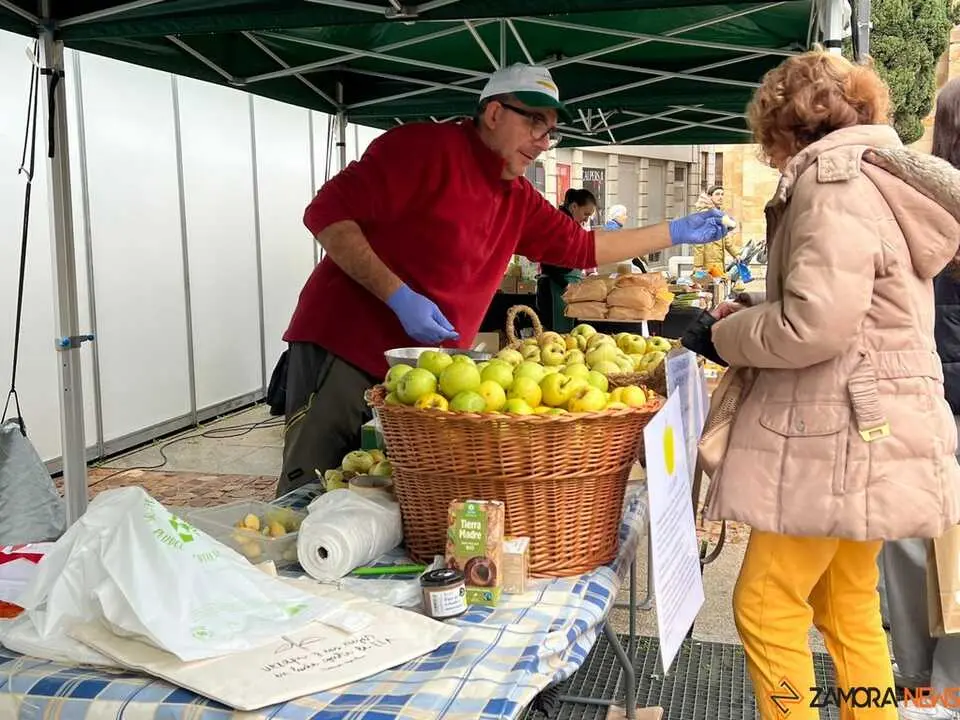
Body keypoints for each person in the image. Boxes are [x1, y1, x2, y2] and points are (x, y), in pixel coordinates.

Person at [277, 62, 730, 498]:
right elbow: (326, 215)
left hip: (423, 375)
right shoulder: (421, 148)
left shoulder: (517, 198)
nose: (543, 141)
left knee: (390, 496)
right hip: (345, 350)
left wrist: (674, 231)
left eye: (551, 131)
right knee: (315, 490)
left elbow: (583, 249)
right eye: (535, 122)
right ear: (494, 112)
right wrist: (397, 295)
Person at [680, 50, 960, 720]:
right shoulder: (877, 177)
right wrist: (754, 309)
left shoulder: (830, 184)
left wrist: (722, 337)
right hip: (872, 427)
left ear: (784, 127)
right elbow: (851, 305)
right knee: (847, 602)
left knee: (765, 605)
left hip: (831, 431)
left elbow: (816, 325)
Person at [881, 76, 960, 720]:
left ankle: (915, 687)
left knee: (910, 546)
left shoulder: (910, 195)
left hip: (913, 397)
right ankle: (943, 692)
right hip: (939, 395)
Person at [536, 188, 598, 332]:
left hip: (563, 286)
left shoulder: (571, 225)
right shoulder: (560, 224)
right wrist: (565, 284)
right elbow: (549, 262)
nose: (586, 219)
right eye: (586, 214)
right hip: (555, 287)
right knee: (556, 337)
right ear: (574, 206)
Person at [692, 185, 740, 276]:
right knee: (710, 289)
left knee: (719, 288)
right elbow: (699, 242)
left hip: (718, 263)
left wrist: (736, 254)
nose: (720, 197)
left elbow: (725, 239)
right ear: (710, 197)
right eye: (717, 194)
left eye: (722, 194)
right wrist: (698, 266)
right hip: (707, 265)